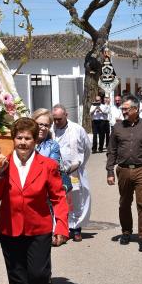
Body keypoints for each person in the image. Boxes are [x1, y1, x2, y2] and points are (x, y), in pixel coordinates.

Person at [0, 118, 69, 284]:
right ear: (13, 139)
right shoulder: (3, 163)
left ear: (35, 141)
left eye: (28, 138)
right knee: (17, 277)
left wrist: (61, 226)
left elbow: (59, 197)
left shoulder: (48, 165)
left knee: (39, 275)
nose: (23, 142)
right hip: (10, 229)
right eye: (19, 138)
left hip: (38, 229)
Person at [107, 95, 142, 252]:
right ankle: (126, 232)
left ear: (135, 109)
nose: (123, 111)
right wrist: (110, 171)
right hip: (123, 170)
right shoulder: (117, 128)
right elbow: (112, 151)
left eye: (126, 108)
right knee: (124, 203)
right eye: (122, 108)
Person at [52, 104, 91, 242]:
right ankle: (60, 229)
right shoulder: (51, 130)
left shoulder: (77, 129)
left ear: (66, 116)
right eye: (54, 119)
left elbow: (87, 149)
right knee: (57, 200)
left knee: (75, 200)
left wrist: (79, 164)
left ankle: (76, 229)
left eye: (59, 119)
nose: (56, 122)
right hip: (54, 173)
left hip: (73, 172)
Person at [33, 108, 72, 194]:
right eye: (40, 124)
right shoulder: (23, 142)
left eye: (46, 125)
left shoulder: (52, 146)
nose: (43, 128)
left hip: (45, 193)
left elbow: (52, 168)